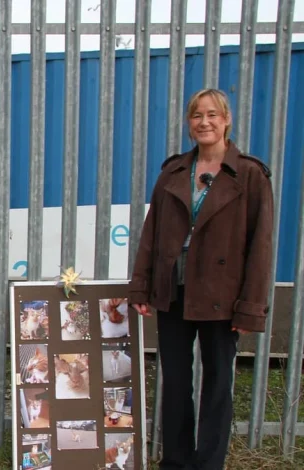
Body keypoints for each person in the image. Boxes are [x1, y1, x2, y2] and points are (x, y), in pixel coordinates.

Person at [129, 88, 274, 469]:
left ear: (226, 120)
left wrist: (249, 308)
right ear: (188, 124)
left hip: (222, 296)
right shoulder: (174, 171)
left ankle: (208, 463)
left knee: (218, 387)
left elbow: (261, 248)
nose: (204, 122)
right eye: (196, 115)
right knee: (175, 383)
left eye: (212, 115)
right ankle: (175, 461)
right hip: (174, 290)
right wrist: (141, 285)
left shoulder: (250, 175)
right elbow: (152, 234)